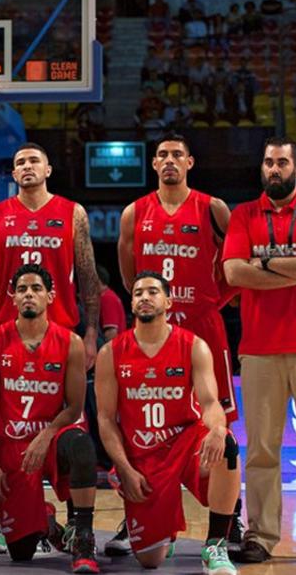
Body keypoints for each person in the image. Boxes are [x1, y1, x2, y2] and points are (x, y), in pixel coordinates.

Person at [222, 137, 296, 565]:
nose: (274, 169)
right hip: (260, 348)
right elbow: (234, 272)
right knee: (261, 449)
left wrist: (266, 265)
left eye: (281, 163)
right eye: (268, 162)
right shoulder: (244, 214)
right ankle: (260, 535)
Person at [115, 132, 240, 554]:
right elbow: (129, 272)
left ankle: (230, 517)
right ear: (154, 164)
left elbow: (235, 263)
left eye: (177, 155)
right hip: (155, 329)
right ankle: (135, 512)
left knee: (220, 421)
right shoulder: (135, 212)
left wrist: (213, 301)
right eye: (163, 155)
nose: (169, 160)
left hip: (203, 326)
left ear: (190, 162)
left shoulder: (212, 207)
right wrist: (151, 304)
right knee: (142, 420)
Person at [95, 270, 239, 573]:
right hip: (142, 453)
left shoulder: (194, 345)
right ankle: (162, 529)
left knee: (227, 446)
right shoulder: (111, 353)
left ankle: (215, 545)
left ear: (169, 301)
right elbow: (106, 420)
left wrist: (217, 428)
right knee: (151, 560)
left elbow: (210, 402)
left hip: (186, 443)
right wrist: (124, 468)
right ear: (131, 303)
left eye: (152, 292)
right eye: (138, 293)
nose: (144, 297)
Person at [0, 264, 99, 572]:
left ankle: (82, 535)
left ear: (50, 296)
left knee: (81, 444)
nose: (28, 294)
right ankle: (46, 522)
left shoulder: (70, 342)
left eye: (36, 289)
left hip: (53, 437)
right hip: (11, 444)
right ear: (12, 298)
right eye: (22, 289)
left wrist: (45, 436)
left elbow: (74, 407)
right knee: (21, 552)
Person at [0, 142, 100, 359]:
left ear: (48, 170)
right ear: (14, 174)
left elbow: (87, 274)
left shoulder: (74, 213)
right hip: (6, 326)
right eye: (21, 163)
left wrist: (92, 334)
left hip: (61, 325)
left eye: (34, 161)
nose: (27, 166)